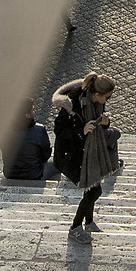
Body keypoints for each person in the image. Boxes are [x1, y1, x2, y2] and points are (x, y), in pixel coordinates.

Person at [54, 72, 120, 240]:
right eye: (107, 97)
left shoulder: (95, 102)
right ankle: (75, 227)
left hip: (89, 151)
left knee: (92, 186)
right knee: (94, 190)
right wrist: (81, 131)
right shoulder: (72, 106)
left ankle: (88, 221)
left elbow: (97, 125)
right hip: (72, 155)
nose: (107, 100)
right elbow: (59, 132)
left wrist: (105, 124)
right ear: (96, 94)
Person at [2, 99, 54, 181]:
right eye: (33, 110)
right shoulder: (39, 130)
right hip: (34, 174)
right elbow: (46, 155)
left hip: (10, 174)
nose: (35, 111)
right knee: (56, 163)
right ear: (27, 115)